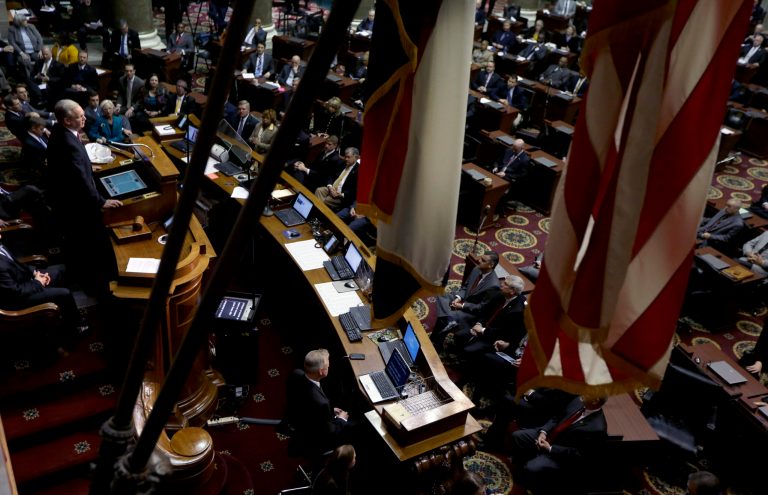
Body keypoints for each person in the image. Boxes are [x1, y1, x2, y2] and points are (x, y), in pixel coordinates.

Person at [46, 99, 122, 297]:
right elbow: (79, 180)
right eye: (79, 116)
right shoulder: (68, 143)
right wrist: (102, 201)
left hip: (64, 201)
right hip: (78, 207)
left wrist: (87, 167)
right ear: (66, 121)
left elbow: (73, 167)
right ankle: (98, 289)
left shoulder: (58, 132)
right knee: (91, 246)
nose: (84, 118)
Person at [510, 396, 608, 493]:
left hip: (560, 456)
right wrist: (544, 432)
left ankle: (532, 485)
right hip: (548, 435)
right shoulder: (578, 401)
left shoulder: (598, 429)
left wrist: (550, 448)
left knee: (531, 467)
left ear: (595, 400)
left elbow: (580, 454)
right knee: (518, 436)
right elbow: (557, 417)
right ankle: (521, 468)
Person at [0, 233, 88, 334]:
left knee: (61, 270)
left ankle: (65, 312)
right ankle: (77, 326)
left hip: (23, 281)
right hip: (18, 300)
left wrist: (34, 273)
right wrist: (38, 282)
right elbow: (15, 292)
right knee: (65, 293)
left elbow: (16, 264)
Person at [284, 349, 355, 455]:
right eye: (328, 366)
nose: (329, 367)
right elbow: (330, 431)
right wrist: (342, 419)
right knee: (356, 426)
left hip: (299, 417)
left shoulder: (296, 373)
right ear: (321, 371)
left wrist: (331, 410)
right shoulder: (321, 403)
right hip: (314, 438)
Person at [431, 252, 501, 351]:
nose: (479, 261)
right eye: (481, 258)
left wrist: (462, 305)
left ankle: (437, 342)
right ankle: (438, 333)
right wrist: (458, 297)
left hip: (471, 312)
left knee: (449, 315)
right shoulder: (477, 269)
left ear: (491, 265)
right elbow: (465, 287)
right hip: (463, 300)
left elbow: (481, 308)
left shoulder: (493, 286)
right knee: (441, 296)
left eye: (483, 260)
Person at [455, 275, 527, 357]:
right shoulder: (500, 294)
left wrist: (482, 330)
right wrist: (479, 324)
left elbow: (502, 332)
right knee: (459, 336)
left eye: (506, 284)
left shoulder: (517, 311)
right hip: (484, 327)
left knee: (468, 351)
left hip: (494, 338)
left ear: (512, 291)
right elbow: (485, 311)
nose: (502, 284)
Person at [315, 147, 359, 212]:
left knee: (327, 200)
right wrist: (330, 186)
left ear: (355, 157)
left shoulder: (358, 171)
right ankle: (318, 212)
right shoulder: (342, 163)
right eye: (345, 157)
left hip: (341, 196)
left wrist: (341, 194)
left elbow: (353, 190)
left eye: (348, 157)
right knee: (319, 190)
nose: (346, 159)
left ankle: (317, 212)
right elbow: (331, 176)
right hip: (331, 189)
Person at [8, 15, 44, 80]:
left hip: (35, 50)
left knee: (41, 58)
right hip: (23, 52)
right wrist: (21, 53)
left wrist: (40, 50)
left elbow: (39, 38)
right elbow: (12, 42)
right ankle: (30, 78)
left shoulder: (31, 26)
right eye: (24, 21)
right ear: (19, 22)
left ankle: (41, 75)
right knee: (25, 61)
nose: (26, 21)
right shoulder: (12, 29)